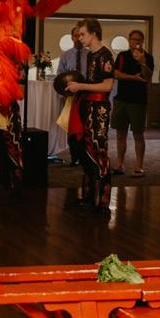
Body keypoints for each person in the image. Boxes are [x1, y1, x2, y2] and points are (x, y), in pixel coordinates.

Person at [63, 18, 115, 211]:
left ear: (94, 34)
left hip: (98, 109)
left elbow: (107, 86)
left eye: (83, 34)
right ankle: (89, 196)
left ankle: (102, 201)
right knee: (86, 151)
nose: (80, 38)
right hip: (87, 106)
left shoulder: (105, 55)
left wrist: (81, 86)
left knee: (98, 150)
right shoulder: (91, 55)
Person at [111, 29, 153, 177]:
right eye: (134, 39)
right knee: (120, 134)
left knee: (138, 134)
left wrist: (142, 63)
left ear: (143, 41)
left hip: (138, 101)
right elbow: (116, 73)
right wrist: (133, 78)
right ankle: (119, 164)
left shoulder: (148, 57)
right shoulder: (122, 56)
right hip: (121, 99)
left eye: (139, 39)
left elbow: (147, 76)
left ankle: (139, 166)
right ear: (129, 41)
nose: (136, 42)